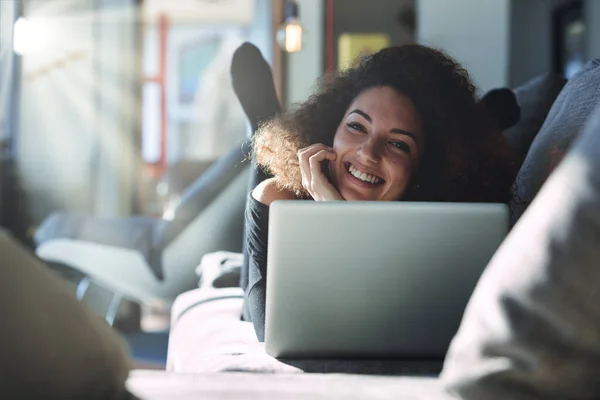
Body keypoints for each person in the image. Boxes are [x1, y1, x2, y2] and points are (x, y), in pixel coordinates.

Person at [244, 44, 516, 341]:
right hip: (290, 185)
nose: (368, 153)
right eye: (357, 126)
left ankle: (490, 115)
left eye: (399, 144)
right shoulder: (280, 199)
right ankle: (262, 118)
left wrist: (338, 216)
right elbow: (266, 327)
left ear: (425, 167)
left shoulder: (447, 230)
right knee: (263, 174)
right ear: (332, 127)